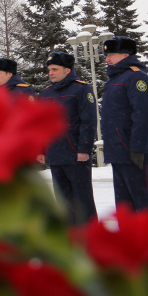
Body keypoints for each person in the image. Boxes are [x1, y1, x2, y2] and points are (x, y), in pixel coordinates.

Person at [38, 52, 97, 226]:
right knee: (63, 201)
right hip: (55, 154)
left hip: (76, 155)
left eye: (55, 69)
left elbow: (89, 121)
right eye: (49, 69)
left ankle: (90, 236)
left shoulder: (81, 89)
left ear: (67, 70)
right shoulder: (46, 93)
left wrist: (84, 149)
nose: (51, 73)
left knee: (82, 199)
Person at [101, 37, 148, 211]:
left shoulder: (136, 77)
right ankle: (128, 236)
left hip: (132, 150)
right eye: (106, 55)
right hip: (118, 150)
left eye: (111, 54)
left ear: (126, 54)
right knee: (124, 204)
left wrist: (138, 148)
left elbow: (143, 114)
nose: (107, 59)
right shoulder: (113, 80)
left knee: (142, 200)